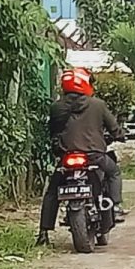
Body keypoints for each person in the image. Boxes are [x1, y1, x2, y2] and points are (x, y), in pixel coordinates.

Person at [37, 68, 126, 246]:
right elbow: (114, 128)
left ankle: (43, 233)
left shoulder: (56, 107)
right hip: (94, 155)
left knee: (52, 192)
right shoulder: (98, 105)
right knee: (114, 172)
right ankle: (115, 207)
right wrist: (120, 135)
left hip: (67, 156)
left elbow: (53, 132)